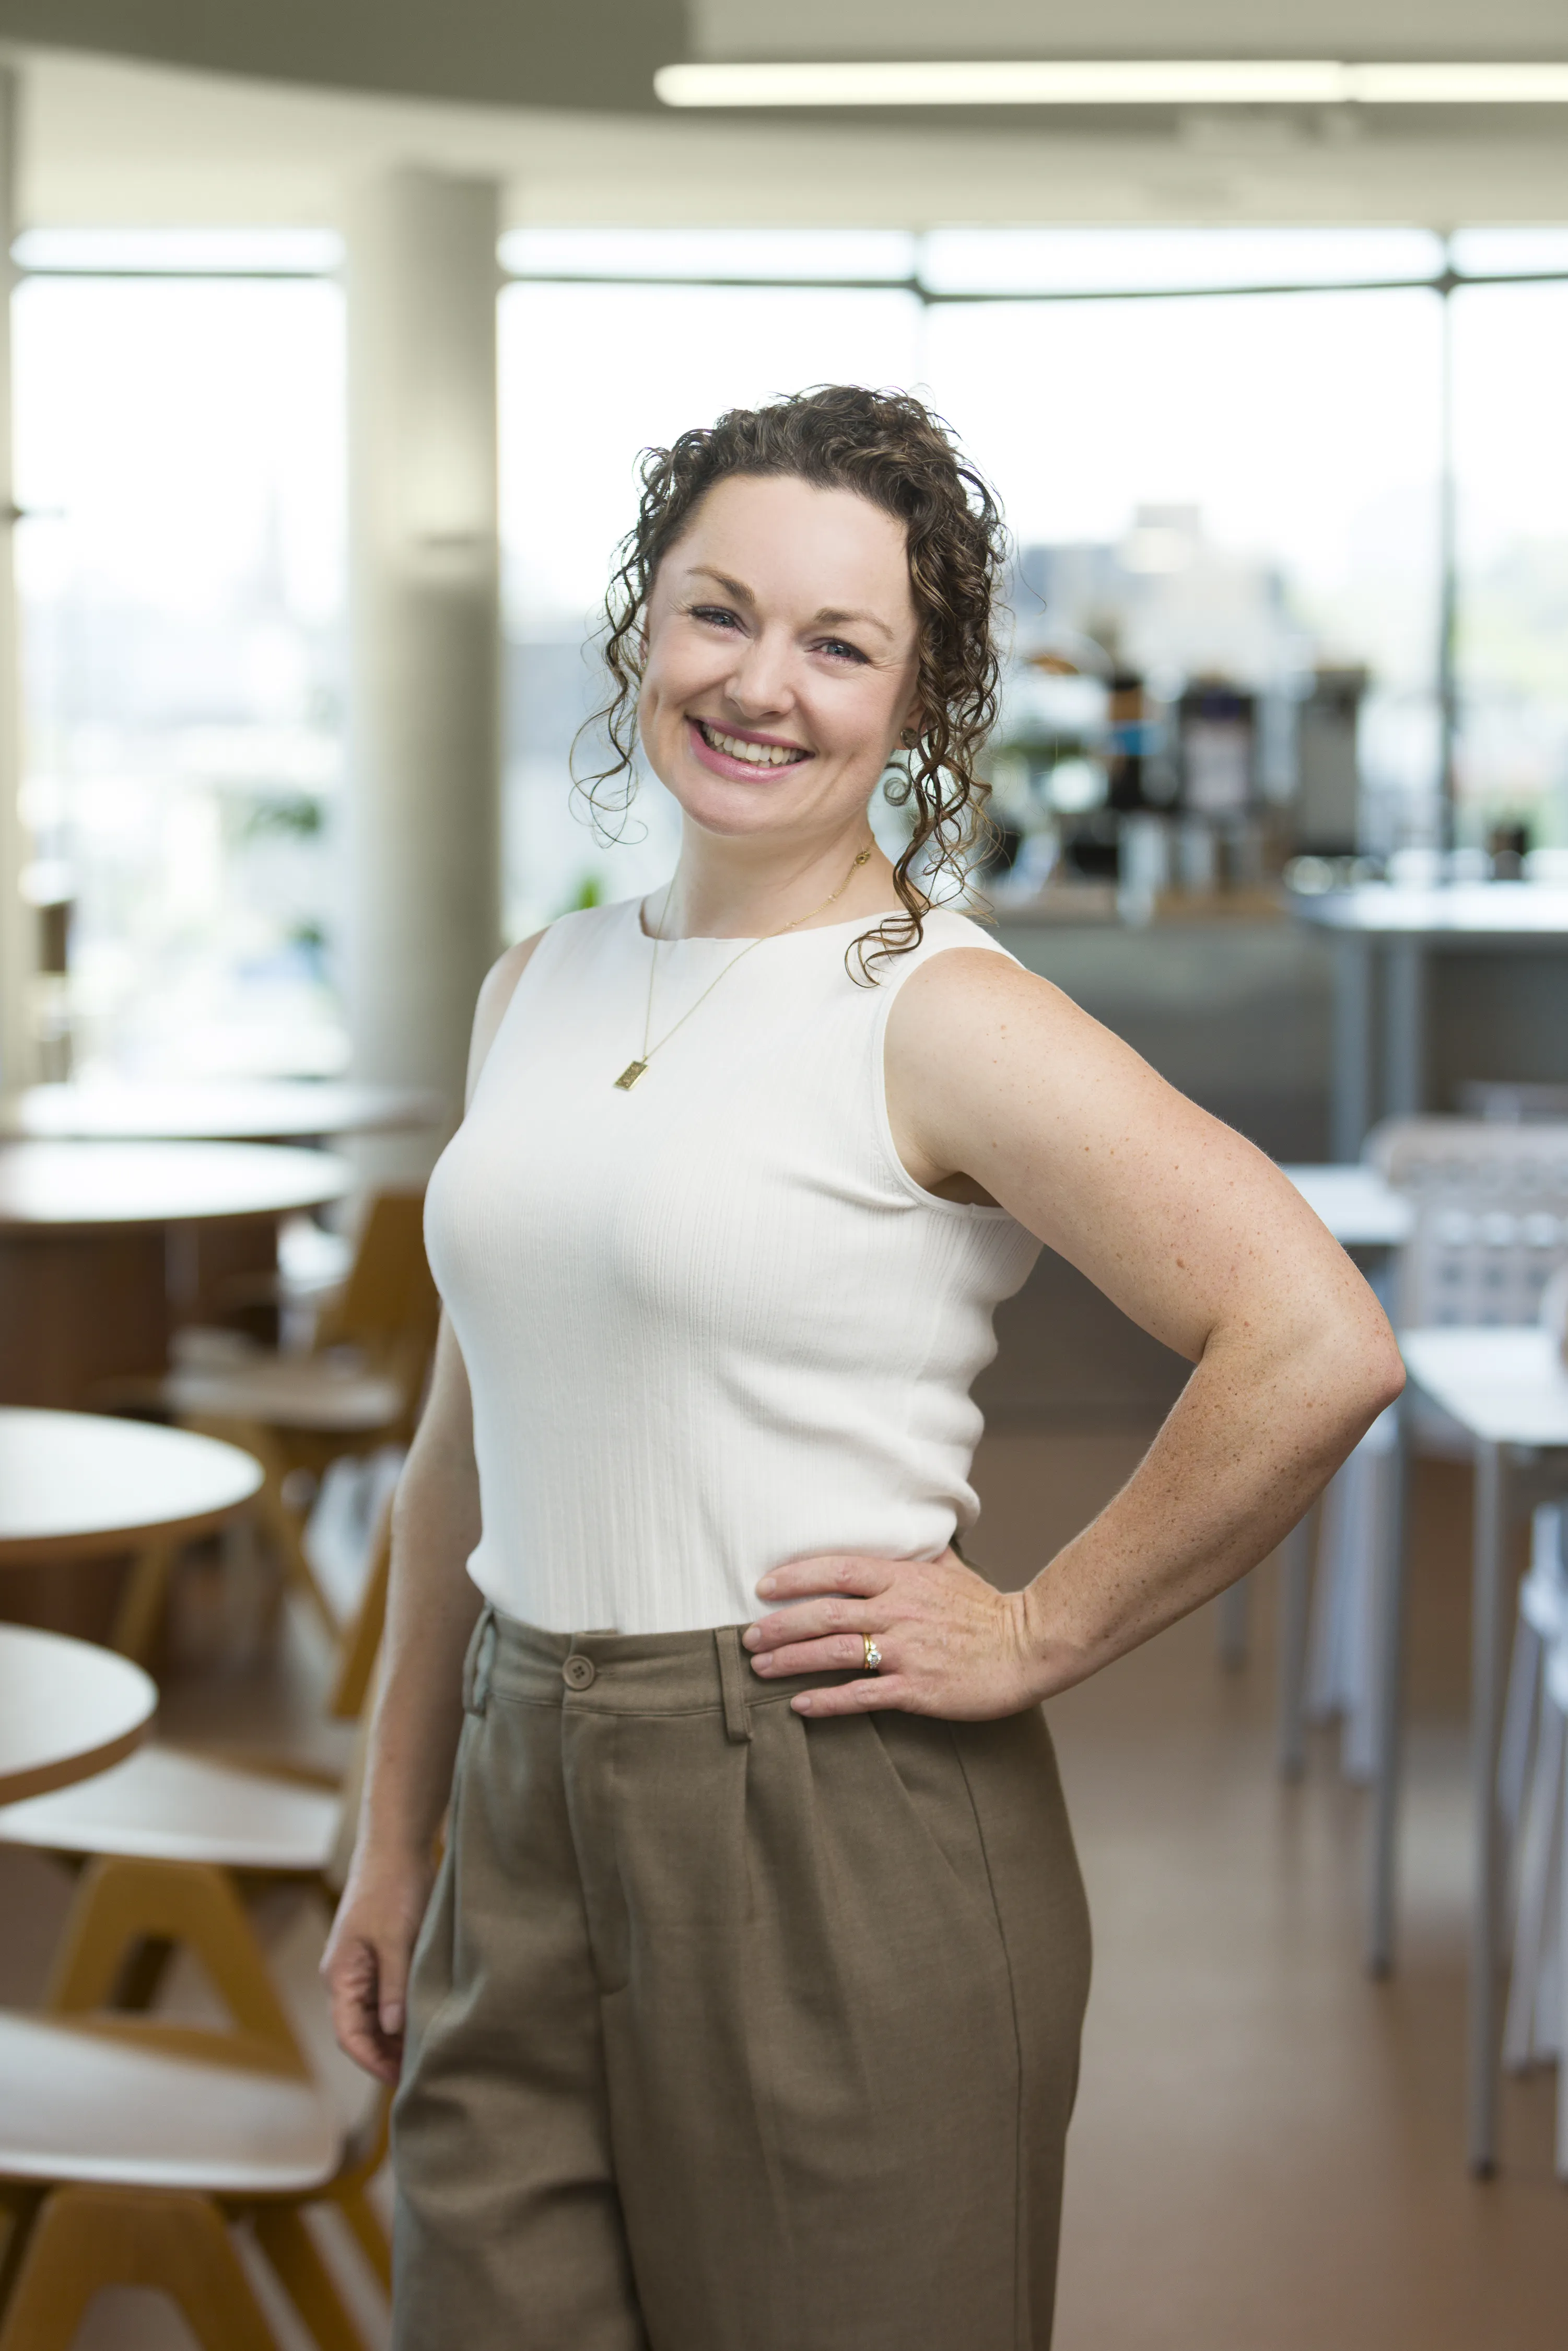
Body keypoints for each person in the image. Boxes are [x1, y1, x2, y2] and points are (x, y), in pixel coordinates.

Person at [323, 383, 1402, 2350]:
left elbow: (1316, 1336)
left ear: (919, 703)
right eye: (720, 612)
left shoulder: (938, 1012)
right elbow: (453, 1465)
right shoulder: (535, 986)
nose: (763, 684)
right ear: (646, 623)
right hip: (522, 1795)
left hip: (826, 1809)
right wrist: (395, 1838)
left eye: (841, 644)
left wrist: (1041, 1627)